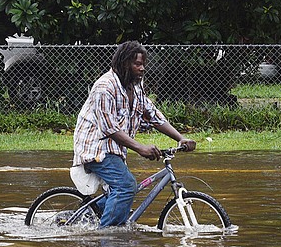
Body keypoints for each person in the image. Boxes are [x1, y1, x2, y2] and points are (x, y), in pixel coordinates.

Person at [73, 40, 196, 227]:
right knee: (126, 186)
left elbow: (153, 115)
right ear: (124, 64)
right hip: (96, 149)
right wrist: (140, 148)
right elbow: (109, 128)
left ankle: (91, 213)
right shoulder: (105, 87)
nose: (142, 68)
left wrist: (181, 138)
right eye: (137, 64)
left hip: (114, 151)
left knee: (124, 192)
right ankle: (107, 236)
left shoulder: (135, 89)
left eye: (143, 64)